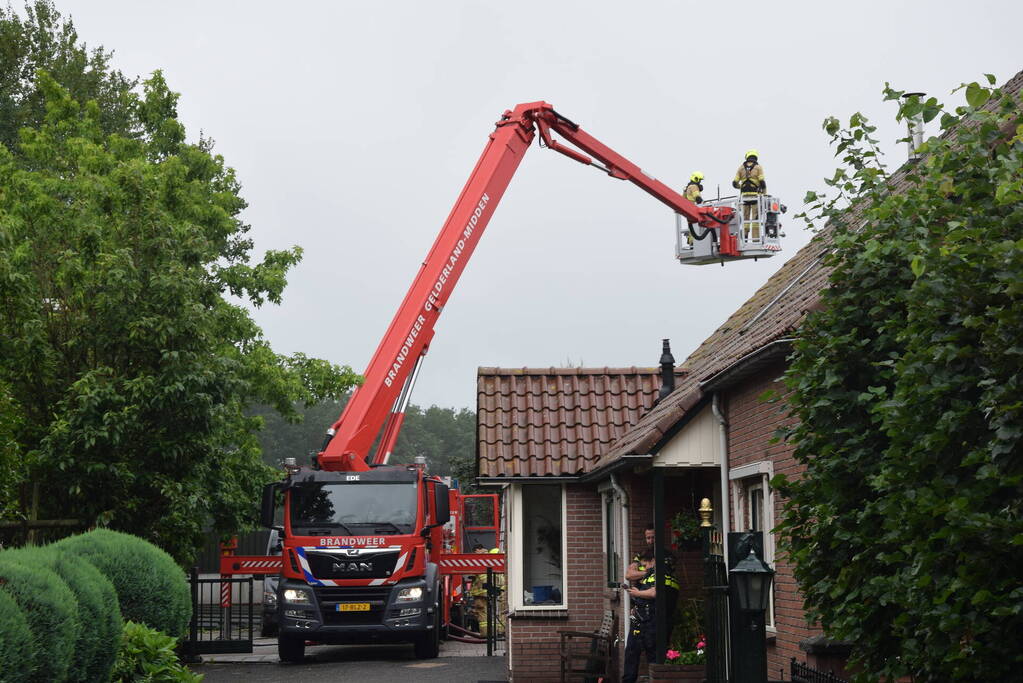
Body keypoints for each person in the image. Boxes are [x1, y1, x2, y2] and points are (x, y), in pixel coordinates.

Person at [623, 548, 681, 683]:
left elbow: (655, 593)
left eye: (645, 564)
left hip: (653, 623)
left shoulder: (662, 574)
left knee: (653, 659)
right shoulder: (651, 575)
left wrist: (637, 594)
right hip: (642, 621)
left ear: (653, 561)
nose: (644, 568)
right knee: (631, 654)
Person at [732, 150, 766, 240]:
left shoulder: (740, 168)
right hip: (755, 196)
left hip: (744, 197)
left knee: (745, 219)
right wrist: (764, 194)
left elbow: (734, 183)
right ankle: (756, 239)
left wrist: (741, 187)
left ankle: (745, 237)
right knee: (755, 219)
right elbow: (762, 182)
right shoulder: (758, 168)